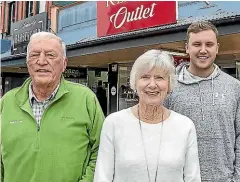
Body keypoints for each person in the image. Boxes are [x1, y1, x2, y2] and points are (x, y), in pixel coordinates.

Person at [0, 32, 105, 182]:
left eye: (50, 55)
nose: (41, 61)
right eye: (35, 55)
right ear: (27, 62)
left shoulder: (86, 99)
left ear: (64, 64)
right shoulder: (6, 102)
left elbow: (101, 152)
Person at [94, 50, 201, 182]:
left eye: (159, 77)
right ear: (135, 83)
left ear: (169, 84)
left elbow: (193, 178)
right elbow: (102, 177)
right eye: (145, 77)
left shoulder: (185, 126)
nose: (152, 84)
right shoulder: (114, 123)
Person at [164, 21, 240, 182]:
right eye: (197, 44)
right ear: (187, 48)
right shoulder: (169, 87)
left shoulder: (234, 87)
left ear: (217, 48)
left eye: (209, 44)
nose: (203, 50)